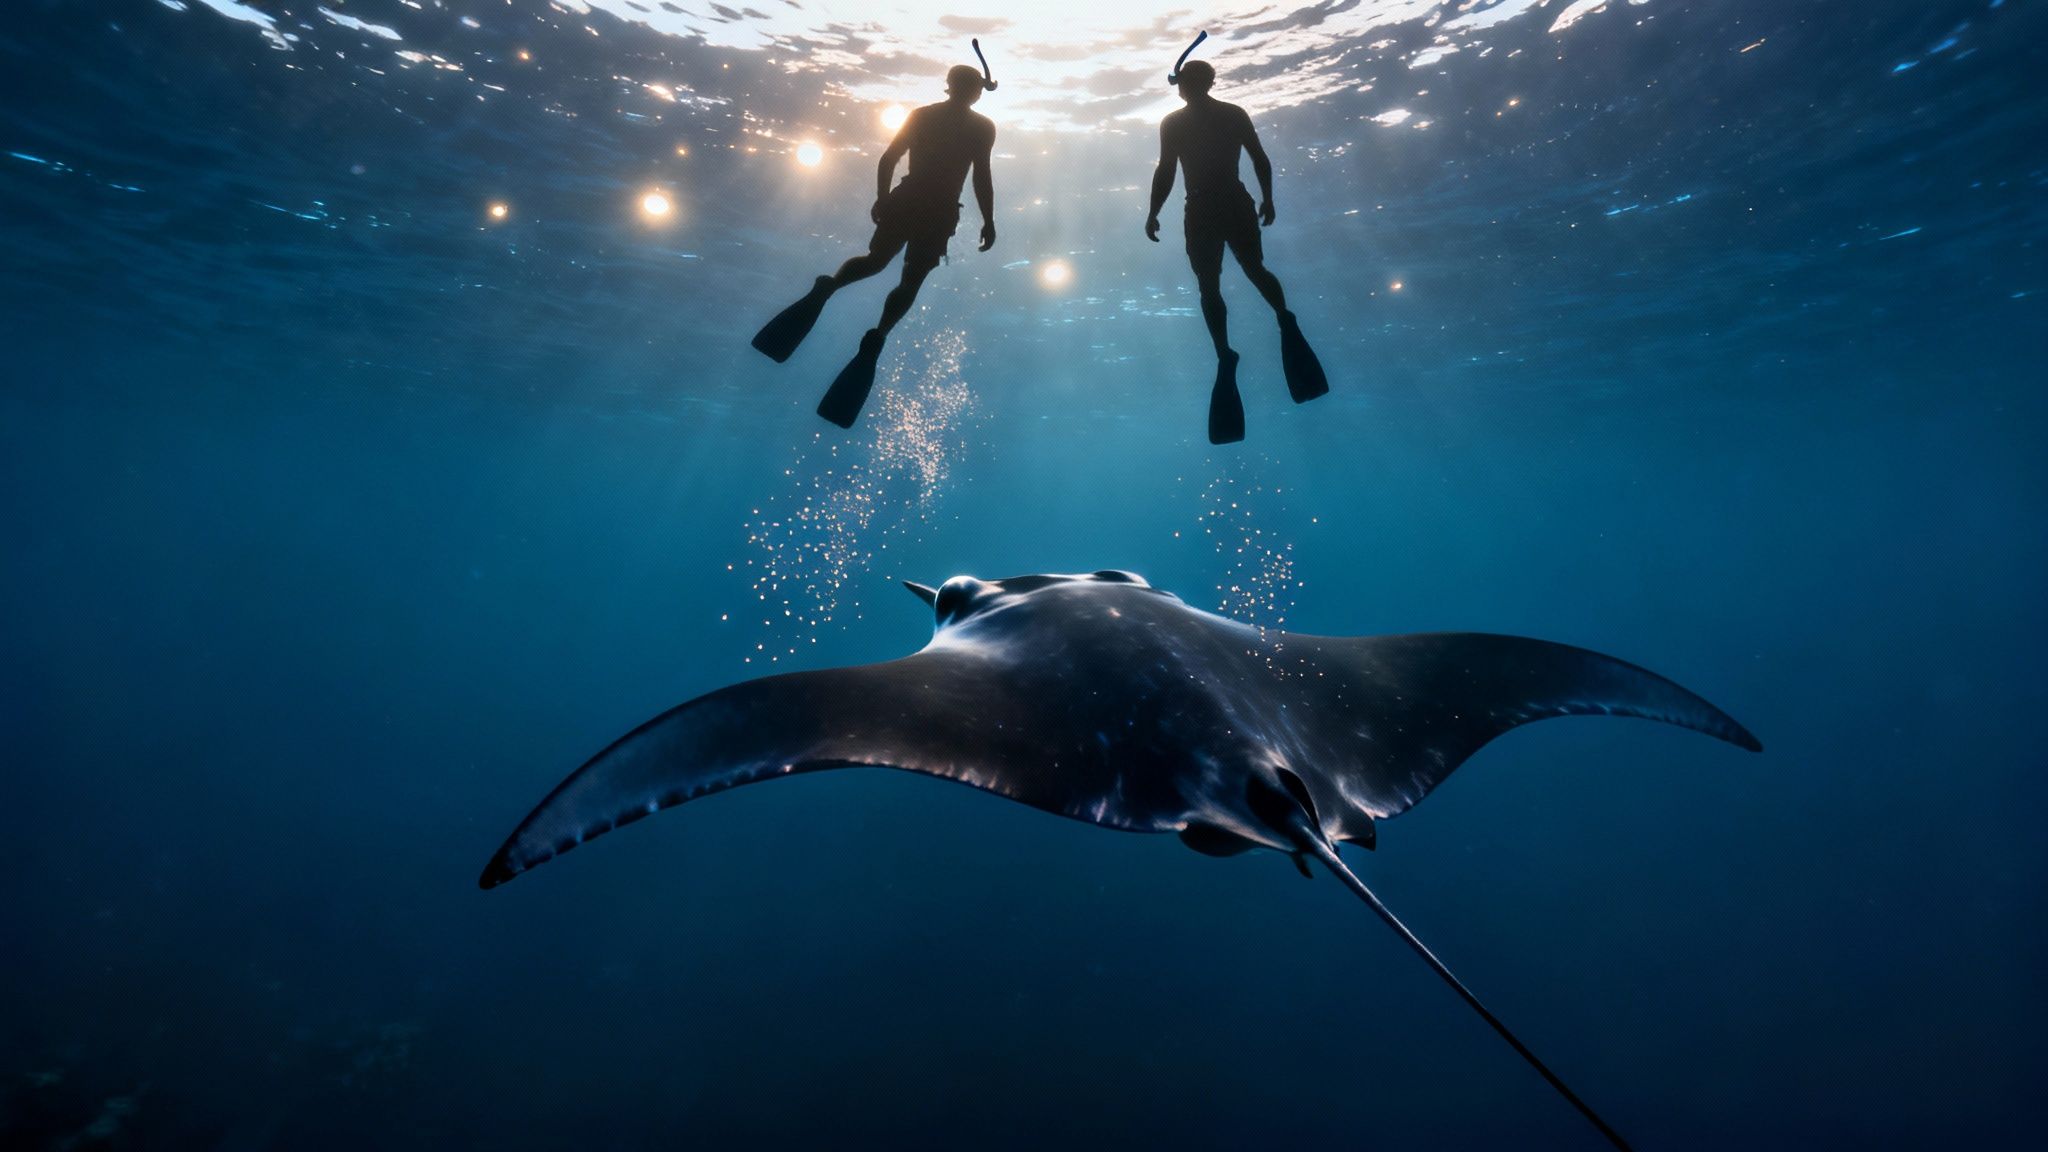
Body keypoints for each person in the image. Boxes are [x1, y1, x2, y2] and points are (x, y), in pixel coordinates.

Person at [752, 59, 998, 428]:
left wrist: (883, 197)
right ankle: (878, 335)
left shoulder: (923, 116)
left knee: (874, 261)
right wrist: (989, 220)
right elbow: (981, 175)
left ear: (949, 86)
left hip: (908, 198)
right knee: (911, 280)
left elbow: (889, 158)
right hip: (940, 210)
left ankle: (829, 287)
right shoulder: (982, 127)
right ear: (975, 90)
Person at [1145, 57, 1327, 444]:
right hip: (1230, 201)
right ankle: (1281, 318)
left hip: (1207, 205)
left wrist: (1154, 212)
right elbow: (1257, 158)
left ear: (1187, 84)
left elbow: (1167, 170)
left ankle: (1230, 348)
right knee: (1250, 270)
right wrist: (1267, 199)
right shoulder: (1228, 114)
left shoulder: (1176, 122)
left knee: (1213, 285)